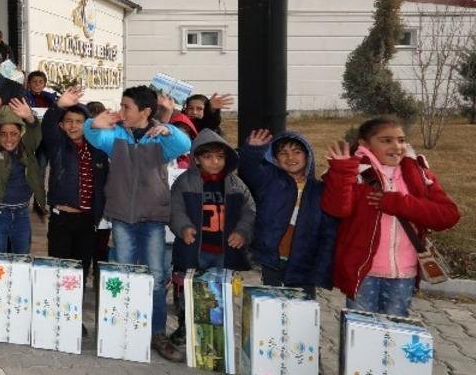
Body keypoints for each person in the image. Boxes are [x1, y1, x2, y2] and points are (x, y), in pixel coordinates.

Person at [83, 85, 191, 362]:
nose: (121, 110)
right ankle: (123, 329)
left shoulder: (160, 139)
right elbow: (93, 136)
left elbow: (185, 145)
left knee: (156, 277)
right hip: (121, 216)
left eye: (126, 107)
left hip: (153, 217)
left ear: (145, 111)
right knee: (123, 275)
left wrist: (168, 128)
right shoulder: (116, 136)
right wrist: (94, 122)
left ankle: (157, 333)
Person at [324, 116, 460, 317]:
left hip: (403, 274)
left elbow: (448, 215)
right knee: (360, 329)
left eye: (401, 140)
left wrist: (397, 203)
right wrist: (342, 172)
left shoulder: (419, 174)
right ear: (364, 144)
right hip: (363, 271)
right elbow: (337, 209)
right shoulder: (354, 172)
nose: (397, 146)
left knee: (393, 331)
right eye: (386, 140)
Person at [168, 129, 256, 346]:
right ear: (197, 158)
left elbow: (249, 211)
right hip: (194, 249)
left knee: (218, 291)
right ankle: (185, 326)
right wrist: (183, 227)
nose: (215, 162)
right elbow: (175, 209)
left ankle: (215, 331)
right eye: (208, 157)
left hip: (223, 252)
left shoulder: (236, 184)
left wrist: (242, 232)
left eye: (220, 157)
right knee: (188, 289)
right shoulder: (185, 182)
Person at [240, 128, 336, 299]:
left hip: (305, 261)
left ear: (308, 156)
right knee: (272, 302)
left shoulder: (320, 190)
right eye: (283, 153)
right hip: (272, 258)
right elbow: (249, 171)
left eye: (297, 152)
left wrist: (323, 264)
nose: (290, 157)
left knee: (303, 304)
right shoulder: (269, 181)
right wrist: (253, 151)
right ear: (275, 159)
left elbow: (328, 230)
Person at [42, 87, 108, 283]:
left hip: (88, 220)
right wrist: (58, 106)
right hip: (61, 218)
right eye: (68, 121)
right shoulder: (58, 145)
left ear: (87, 125)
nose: (73, 126)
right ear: (61, 125)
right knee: (59, 270)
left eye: (79, 122)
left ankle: (77, 302)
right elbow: (47, 127)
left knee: (81, 270)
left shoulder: (98, 149)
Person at [0, 94, 45, 255]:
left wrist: (29, 118)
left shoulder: (27, 150)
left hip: (22, 215)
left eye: (14, 133)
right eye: (3, 134)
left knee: (21, 259)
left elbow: (35, 136)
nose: (9, 139)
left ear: (21, 133)